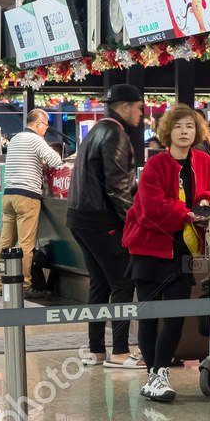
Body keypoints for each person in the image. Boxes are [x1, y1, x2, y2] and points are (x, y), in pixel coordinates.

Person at [122, 104, 210, 403]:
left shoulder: (203, 161)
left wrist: (204, 201)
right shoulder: (156, 165)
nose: (184, 131)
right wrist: (186, 213)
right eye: (179, 126)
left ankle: (160, 372)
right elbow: (149, 208)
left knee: (176, 315)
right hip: (149, 249)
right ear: (168, 131)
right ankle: (154, 375)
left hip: (183, 251)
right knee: (149, 316)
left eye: (190, 126)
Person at [67, 84, 145, 367]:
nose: (141, 114)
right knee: (122, 281)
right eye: (138, 108)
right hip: (102, 220)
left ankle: (96, 349)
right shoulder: (115, 134)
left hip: (80, 218)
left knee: (99, 284)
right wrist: (132, 223)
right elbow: (117, 187)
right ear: (124, 106)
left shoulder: (97, 130)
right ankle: (120, 351)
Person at [0, 107, 64, 302]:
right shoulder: (36, 140)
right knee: (26, 245)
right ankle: (25, 285)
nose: (46, 129)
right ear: (37, 124)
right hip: (26, 197)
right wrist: (45, 159)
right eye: (46, 125)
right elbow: (56, 161)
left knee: (5, 242)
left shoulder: (16, 139)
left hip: (8, 196)